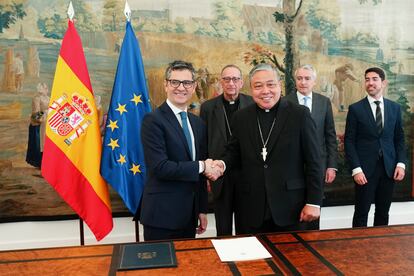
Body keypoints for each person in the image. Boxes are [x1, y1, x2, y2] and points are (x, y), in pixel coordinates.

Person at [211, 63, 324, 234]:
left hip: (292, 208)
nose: (265, 91)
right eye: (258, 86)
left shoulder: (299, 115)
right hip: (251, 208)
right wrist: (222, 164)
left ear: (280, 85)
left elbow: (315, 161)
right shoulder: (241, 117)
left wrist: (314, 202)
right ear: (251, 89)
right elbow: (233, 151)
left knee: (294, 259)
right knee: (253, 260)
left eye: (270, 84)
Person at [138, 60, 219, 241]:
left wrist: (201, 209)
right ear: (166, 85)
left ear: (194, 86)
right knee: (162, 268)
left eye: (187, 83)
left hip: (189, 217)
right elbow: (160, 167)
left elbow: (199, 174)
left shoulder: (198, 123)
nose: (181, 88)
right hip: (161, 217)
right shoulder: (152, 121)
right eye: (175, 82)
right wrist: (202, 166)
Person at [344, 67, 406, 228]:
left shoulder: (394, 108)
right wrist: (356, 169)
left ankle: (380, 248)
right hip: (364, 170)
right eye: (367, 79)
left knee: (383, 213)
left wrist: (401, 164)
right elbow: (349, 141)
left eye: (374, 79)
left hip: (389, 169)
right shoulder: (356, 109)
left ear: (383, 83)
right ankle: (358, 249)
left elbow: (399, 138)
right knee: (361, 213)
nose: (370, 83)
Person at [199, 64, 254, 236]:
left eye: (235, 79)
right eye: (227, 79)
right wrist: (206, 173)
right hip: (219, 175)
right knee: (223, 227)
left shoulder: (252, 104)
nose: (231, 83)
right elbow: (203, 141)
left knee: (246, 225)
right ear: (221, 82)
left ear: (241, 82)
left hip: (246, 173)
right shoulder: (208, 107)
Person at [285, 64, 338, 230]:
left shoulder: (324, 102)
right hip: (292, 166)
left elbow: (330, 135)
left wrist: (331, 166)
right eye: (299, 78)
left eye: (307, 78)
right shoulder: (285, 102)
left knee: (314, 207)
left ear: (314, 81)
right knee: (293, 209)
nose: (303, 82)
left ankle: (312, 245)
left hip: (318, 166)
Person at [26, 83, 50, 168]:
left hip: (47, 124)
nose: (47, 89)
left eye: (47, 88)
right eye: (45, 88)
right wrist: (46, 112)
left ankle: (46, 163)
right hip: (38, 126)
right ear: (41, 89)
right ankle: (39, 163)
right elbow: (36, 116)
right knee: (39, 144)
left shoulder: (48, 98)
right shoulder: (36, 99)